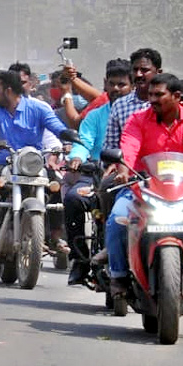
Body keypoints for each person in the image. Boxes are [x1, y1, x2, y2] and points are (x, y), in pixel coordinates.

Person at [106, 73, 183, 305]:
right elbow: (129, 148)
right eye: (150, 94)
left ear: (176, 96)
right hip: (141, 186)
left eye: (159, 94)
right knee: (116, 219)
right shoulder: (137, 120)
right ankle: (119, 276)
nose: (152, 99)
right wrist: (124, 170)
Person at [0, 70, 69, 256]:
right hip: (3, 163)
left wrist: (68, 138)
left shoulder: (38, 108)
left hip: (33, 164)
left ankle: (56, 237)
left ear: (8, 91)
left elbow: (55, 126)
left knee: (56, 183)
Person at [63, 59, 132, 285]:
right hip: (96, 173)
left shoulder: (141, 113)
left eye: (122, 84)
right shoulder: (95, 115)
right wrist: (76, 157)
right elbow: (84, 141)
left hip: (131, 177)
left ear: (132, 86)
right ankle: (80, 259)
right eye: (112, 84)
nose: (116, 89)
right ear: (105, 84)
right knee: (73, 198)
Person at [104, 48, 162, 151]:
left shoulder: (167, 104)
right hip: (128, 165)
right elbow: (111, 147)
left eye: (144, 70)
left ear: (158, 73)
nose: (139, 74)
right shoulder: (120, 106)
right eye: (135, 70)